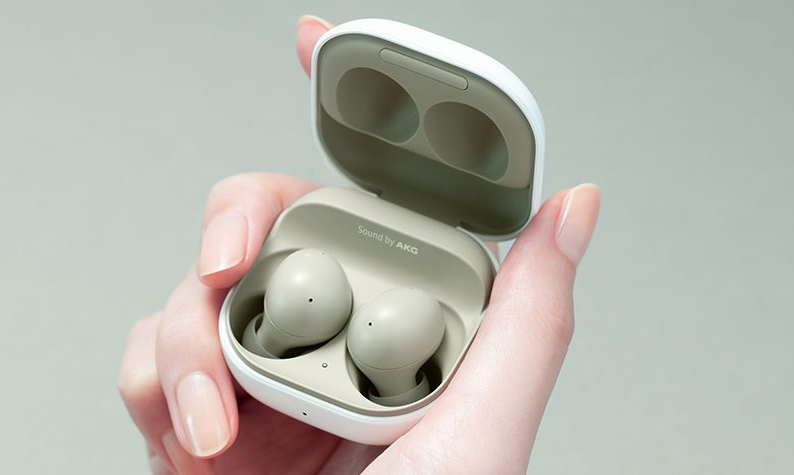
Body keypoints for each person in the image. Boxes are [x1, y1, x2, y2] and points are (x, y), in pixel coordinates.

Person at [118, 15, 602, 474]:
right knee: (318, 298)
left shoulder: (460, 276)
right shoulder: (319, 223)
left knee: (363, 323)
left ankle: (281, 342)